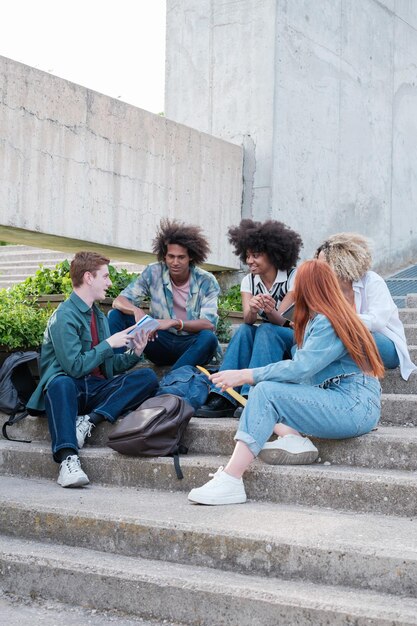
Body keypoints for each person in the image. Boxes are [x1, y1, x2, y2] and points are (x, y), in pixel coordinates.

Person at [188, 259, 384, 506]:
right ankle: (293, 437)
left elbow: (301, 368)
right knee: (264, 393)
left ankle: (231, 479)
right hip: (348, 403)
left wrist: (245, 374)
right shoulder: (324, 318)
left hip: (352, 405)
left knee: (266, 392)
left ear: (308, 288)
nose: (294, 293)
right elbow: (303, 373)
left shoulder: (329, 320)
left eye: (297, 286)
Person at [27, 251, 159, 488]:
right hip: (70, 390)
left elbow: (108, 366)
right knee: (59, 383)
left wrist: (134, 354)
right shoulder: (63, 317)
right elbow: (74, 367)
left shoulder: (99, 316)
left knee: (147, 377)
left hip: (96, 389)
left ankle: (88, 421)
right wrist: (109, 344)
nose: (109, 283)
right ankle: (68, 460)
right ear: (88, 277)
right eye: (105, 277)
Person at [196, 219, 302, 418]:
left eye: (256, 255)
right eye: (247, 256)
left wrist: (270, 311)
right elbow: (247, 321)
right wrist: (253, 310)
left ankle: (252, 395)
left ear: (273, 254)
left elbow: (284, 321)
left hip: (292, 338)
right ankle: (223, 394)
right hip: (267, 339)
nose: (250, 261)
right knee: (245, 331)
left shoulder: (293, 277)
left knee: (267, 329)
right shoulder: (249, 281)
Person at [108, 219, 220, 370]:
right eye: (171, 256)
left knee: (209, 338)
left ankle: (170, 381)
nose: (175, 262)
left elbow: (209, 324)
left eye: (181, 257)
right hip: (159, 341)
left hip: (190, 345)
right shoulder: (154, 272)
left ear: (191, 257)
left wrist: (175, 322)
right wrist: (136, 310)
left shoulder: (206, 280)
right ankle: (116, 371)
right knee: (116, 315)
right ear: (164, 256)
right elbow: (119, 301)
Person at [315, 232, 416, 381]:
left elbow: (377, 322)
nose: (319, 269)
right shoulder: (328, 290)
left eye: (325, 264)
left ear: (342, 262)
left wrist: (339, 318)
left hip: (386, 348)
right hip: (353, 350)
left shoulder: (372, 281)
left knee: (353, 332)